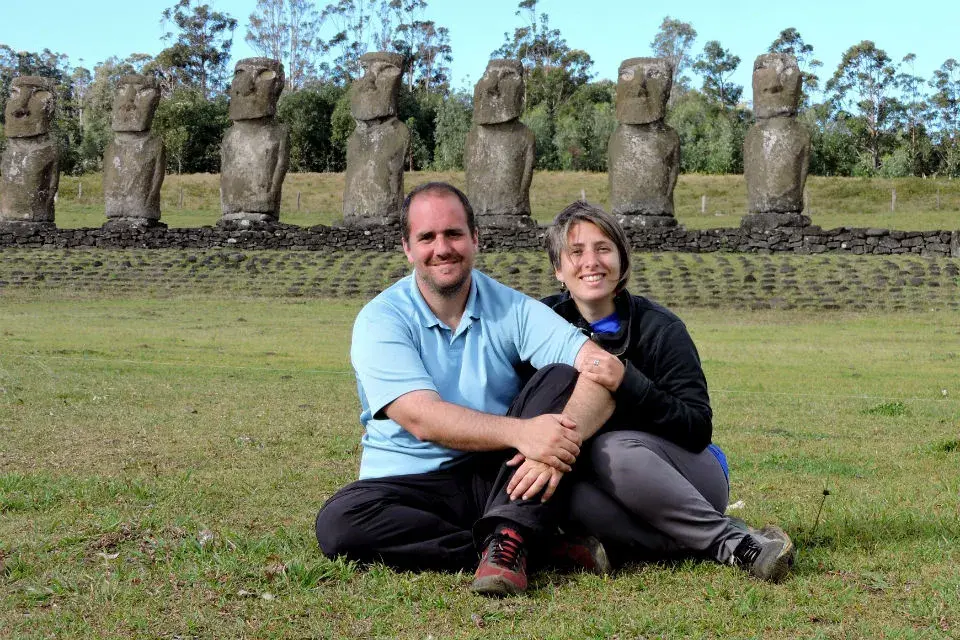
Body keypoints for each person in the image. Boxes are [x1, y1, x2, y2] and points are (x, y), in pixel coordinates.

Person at [315, 182, 614, 596]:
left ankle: (508, 535)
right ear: (407, 247)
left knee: (562, 377)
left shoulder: (512, 307)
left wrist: (561, 439)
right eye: (427, 237)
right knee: (339, 524)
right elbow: (421, 417)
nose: (443, 248)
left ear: (475, 238)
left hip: (496, 475)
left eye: (454, 233)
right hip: (407, 481)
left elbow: (602, 369)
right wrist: (525, 434)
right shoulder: (380, 319)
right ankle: (527, 546)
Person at [515, 200, 795, 582]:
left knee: (610, 448)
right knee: (568, 493)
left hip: (685, 476)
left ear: (622, 261)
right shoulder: (540, 323)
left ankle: (732, 542)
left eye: (603, 248)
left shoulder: (662, 328)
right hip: (602, 487)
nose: (591, 262)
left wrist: (629, 385)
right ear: (558, 270)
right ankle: (680, 544)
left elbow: (697, 427)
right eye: (576, 252)